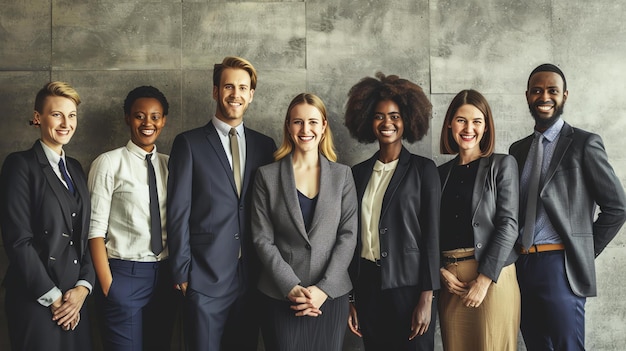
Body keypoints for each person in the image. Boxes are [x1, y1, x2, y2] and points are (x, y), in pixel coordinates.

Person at [510, 63, 626, 350]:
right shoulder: (517, 150)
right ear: (527, 96)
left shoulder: (584, 144)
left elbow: (617, 207)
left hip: (560, 266)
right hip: (521, 265)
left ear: (565, 95)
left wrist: (582, 253)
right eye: (537, 90)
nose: (544, 96)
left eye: (552, 90)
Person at [167, 56, 276, 351]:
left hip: (252, 278)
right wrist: (181, 271)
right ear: (215, 91)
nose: (235, 94)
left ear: (251, 95)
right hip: (203, 277)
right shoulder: (188, 143)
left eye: (243, 88)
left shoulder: (265, 146)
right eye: (229, 86)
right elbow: (178, 211)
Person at [251, 93, 357, 351]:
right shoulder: (267, 176)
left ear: (323, 127)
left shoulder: (342, 175)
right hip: (281, 295)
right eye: (298, 122)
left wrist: (323, 289)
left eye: (313, 122)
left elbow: (348, 235)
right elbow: (261, 239)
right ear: (288, 126)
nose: (305, 129)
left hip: (330, 297)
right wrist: (291, 286)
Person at [344, 73, 440, 351]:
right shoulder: (358, 173)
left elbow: (432, 237)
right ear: (367, 120)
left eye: (395, 116)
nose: (387, 122)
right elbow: (351, 238)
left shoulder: (424, 170)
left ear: (408, 119)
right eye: (379, 116)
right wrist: (352, 299)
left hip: (410, 289)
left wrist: (427, 297)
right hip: (368, 289)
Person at [0, 81, 94, 350]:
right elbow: (18, 240)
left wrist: (82, 289)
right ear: (37, 117)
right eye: (57, 114)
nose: (66, 123)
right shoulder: (19, 165)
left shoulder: (75, 168)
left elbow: (84, 235)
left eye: (72, 115)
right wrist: (55, 299)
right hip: (36, 298)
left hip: (75, 300)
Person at [88, 86, 179, 350]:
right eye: (140, 116)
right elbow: (94, 230)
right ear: (128, 117)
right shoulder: (108, 163)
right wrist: (108, 286)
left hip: (165, 275)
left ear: (163, 120)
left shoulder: (172, 164)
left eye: (155, 116)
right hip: (123, 274)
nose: (148, 123)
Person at [438, 89, 520, 350]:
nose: (468, 128)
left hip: (492, 278)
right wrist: (439, 270)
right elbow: (428, 231)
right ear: (450, 123)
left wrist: (484, 281)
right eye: (461, 120)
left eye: (477, 121)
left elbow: (509, 225)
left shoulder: (503, 165)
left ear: (486, 128)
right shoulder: (438, 174)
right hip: (450, 283)